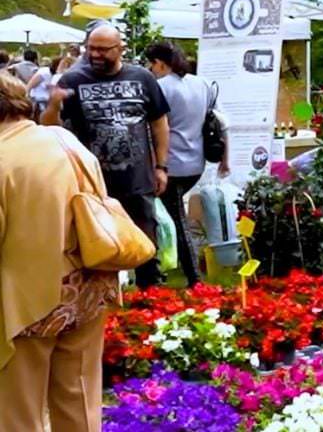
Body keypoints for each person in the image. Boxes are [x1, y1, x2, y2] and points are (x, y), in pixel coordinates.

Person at [0, 73, 117, 432]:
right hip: (89, 287)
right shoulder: (67, 140)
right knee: (80, 400)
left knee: (19, 414)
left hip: (27, 304)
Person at [42, 23, 171, 289]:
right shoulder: (73, 80)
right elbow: (48, 128)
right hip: (93, 183)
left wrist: (161, 166)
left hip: (138, 179)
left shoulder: (143, 78)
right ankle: (100, 299)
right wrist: (54, 105)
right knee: (96, 244)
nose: (95, 55)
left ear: (120, 49)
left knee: (146, 242)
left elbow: (159, 124)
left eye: (103, 50)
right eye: (91, 49)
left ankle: (151, 297)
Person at [145, 41, 226, 287]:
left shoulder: (160, 87)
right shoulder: (201, 83)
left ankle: (193, 277)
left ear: (160, 63)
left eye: (152, 64)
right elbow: (218, 120)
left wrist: (157, 164)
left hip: (171, 163)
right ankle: (177, 268)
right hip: (196, 162)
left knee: (177, 220)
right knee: (174, 215)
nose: (150, 69)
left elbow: (157, 128)